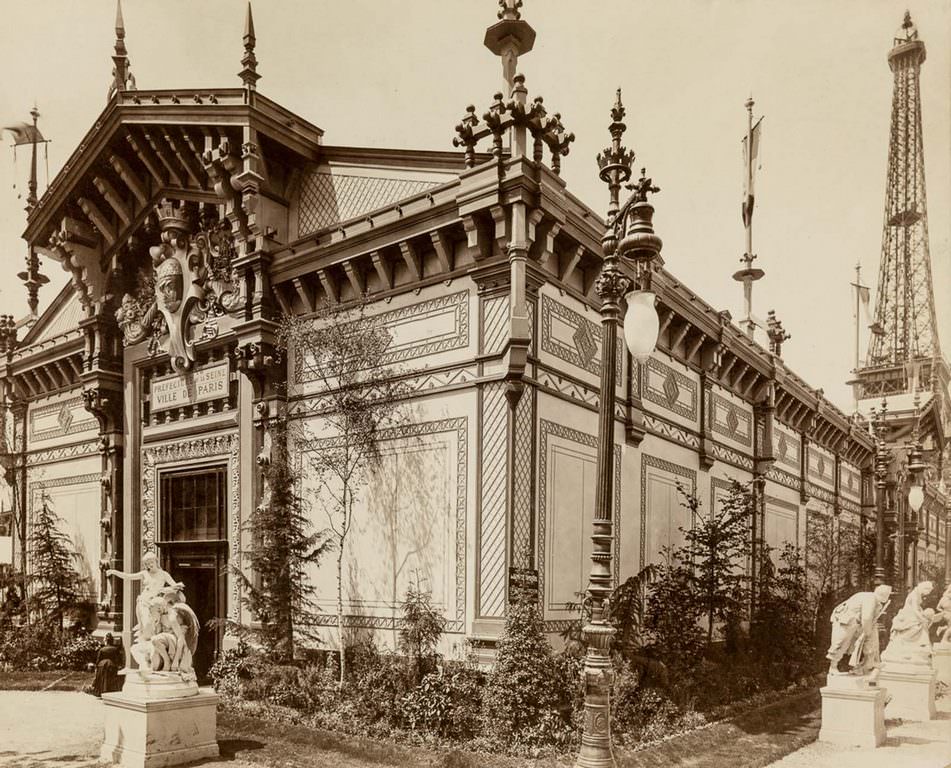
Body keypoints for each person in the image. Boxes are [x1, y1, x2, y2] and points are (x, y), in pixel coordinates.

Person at [106, 553, 183, 640]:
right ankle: (144, 635)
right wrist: (114, 572)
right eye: (147, 563)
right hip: (144, 601)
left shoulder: (164, 574)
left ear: (156, 561)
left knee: (154, 626)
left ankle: (154, 642)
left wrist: (168, 588)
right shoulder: (144, 573)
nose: (150, 565)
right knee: (146, 624)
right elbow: (128, 576)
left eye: (151, 562)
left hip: (155, 601)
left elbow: (174, 586)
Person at [827, 584, 892, 683]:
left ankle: (864, 666)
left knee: (860, 644)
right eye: (888, 594)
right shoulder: (871, 599)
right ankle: (833, 667)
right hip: (845, 621)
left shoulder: (873, 599)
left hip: (854, 623)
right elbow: (866, 618)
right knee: (841, 643)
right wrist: (867, 632)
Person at [882, 581, 935, 665]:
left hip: (913, 615)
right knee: (917, 625)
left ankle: (923, 645)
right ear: (924, 588)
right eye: (928, 591)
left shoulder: (918, 594)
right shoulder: (914, 594)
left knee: (923, 624)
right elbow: (914, 609)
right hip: (908, 616)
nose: (927, 594)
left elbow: (918, 608)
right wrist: (921, 617)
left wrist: (923, 615)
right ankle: (910, 643)